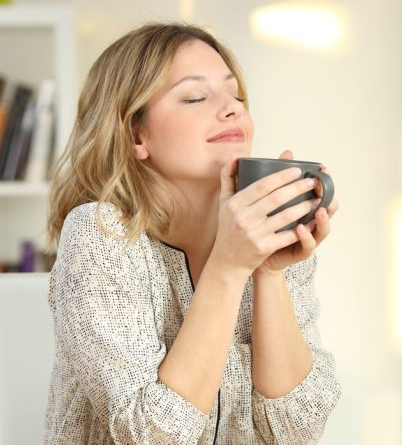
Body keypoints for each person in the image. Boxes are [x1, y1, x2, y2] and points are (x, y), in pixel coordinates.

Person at [44, 22, 341, 444]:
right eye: (196, 97)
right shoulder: (100, 236)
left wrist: (268, 271)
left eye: (236, 95)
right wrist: (228, 266)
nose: (232, 109)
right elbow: (150, 436)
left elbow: (297, 432)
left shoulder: (267, 233)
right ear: (135, 135)